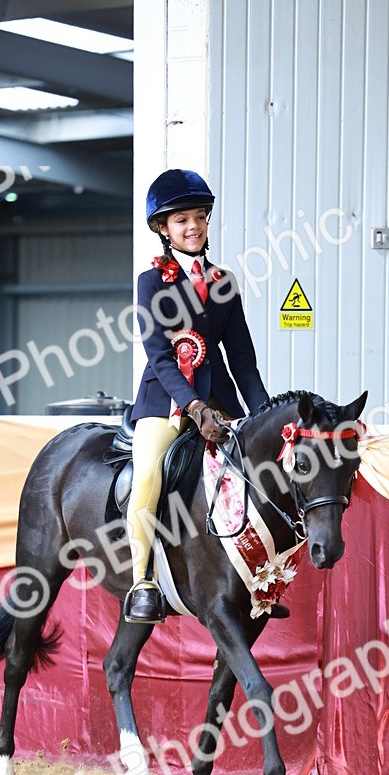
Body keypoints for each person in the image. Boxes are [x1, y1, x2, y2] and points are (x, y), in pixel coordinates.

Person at [124, 168, 271, 624]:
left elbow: (243, 361)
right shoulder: (152, 284)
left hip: (220, 402)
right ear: (163, 229)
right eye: (182, 220)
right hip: (165, 402)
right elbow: (160, 356)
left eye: (199, 218)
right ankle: (142, 580)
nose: (193, 227)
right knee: (147, 476)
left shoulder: (223, 282)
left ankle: (258, 575)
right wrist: (194, 406)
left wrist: (263, 413)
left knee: (256, 472)